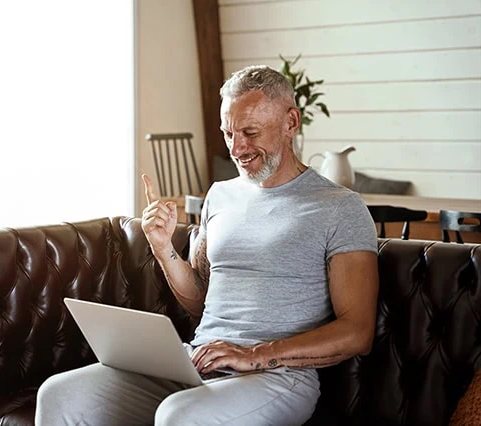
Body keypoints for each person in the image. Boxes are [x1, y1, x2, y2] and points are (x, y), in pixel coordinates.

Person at [35, 65, 379, 425]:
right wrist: (163, 248)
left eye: (250, 132)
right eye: (228, 133)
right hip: (199, 361)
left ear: (291, 122)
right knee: (60, 394)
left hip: (277, 378)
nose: (237, 148)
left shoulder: (339, 207)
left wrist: (257, 355)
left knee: (179, 416)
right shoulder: (220, 195)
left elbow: (357, 332)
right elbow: (201, 299)